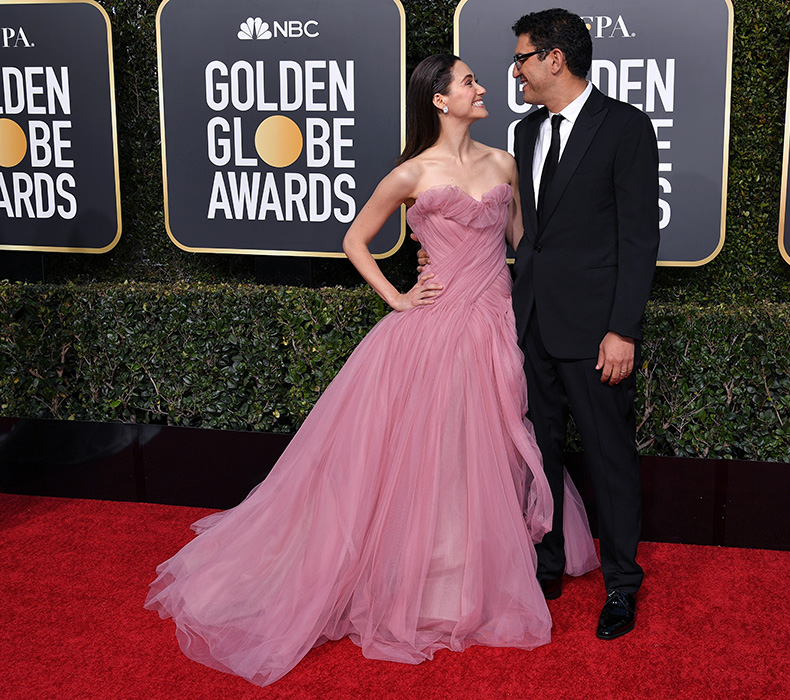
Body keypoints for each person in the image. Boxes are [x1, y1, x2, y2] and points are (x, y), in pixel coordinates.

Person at [145, 54, 597, 687]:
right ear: (440, 100)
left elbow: (524, 243)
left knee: (487, 446)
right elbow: (356, 240)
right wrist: (399, 297)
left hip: (496, 323)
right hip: (433, 330)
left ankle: (468, 574)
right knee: (434, 450)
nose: (482, 86)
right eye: (469, 81)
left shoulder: (503, 164)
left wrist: (566, 282)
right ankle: (429, 580)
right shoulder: (410, 173)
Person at [510, 9, 659, 640]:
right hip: (534, 321)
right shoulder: (523, 132)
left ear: (553, 58)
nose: (514, 71)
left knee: (608, 457)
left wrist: (622, 328)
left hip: (597, 331)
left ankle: (622, 583)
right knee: (538, 454)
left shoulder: (624, 126)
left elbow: (639, 235)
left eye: (521, 58)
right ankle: (546, 567)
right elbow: (530, 235)